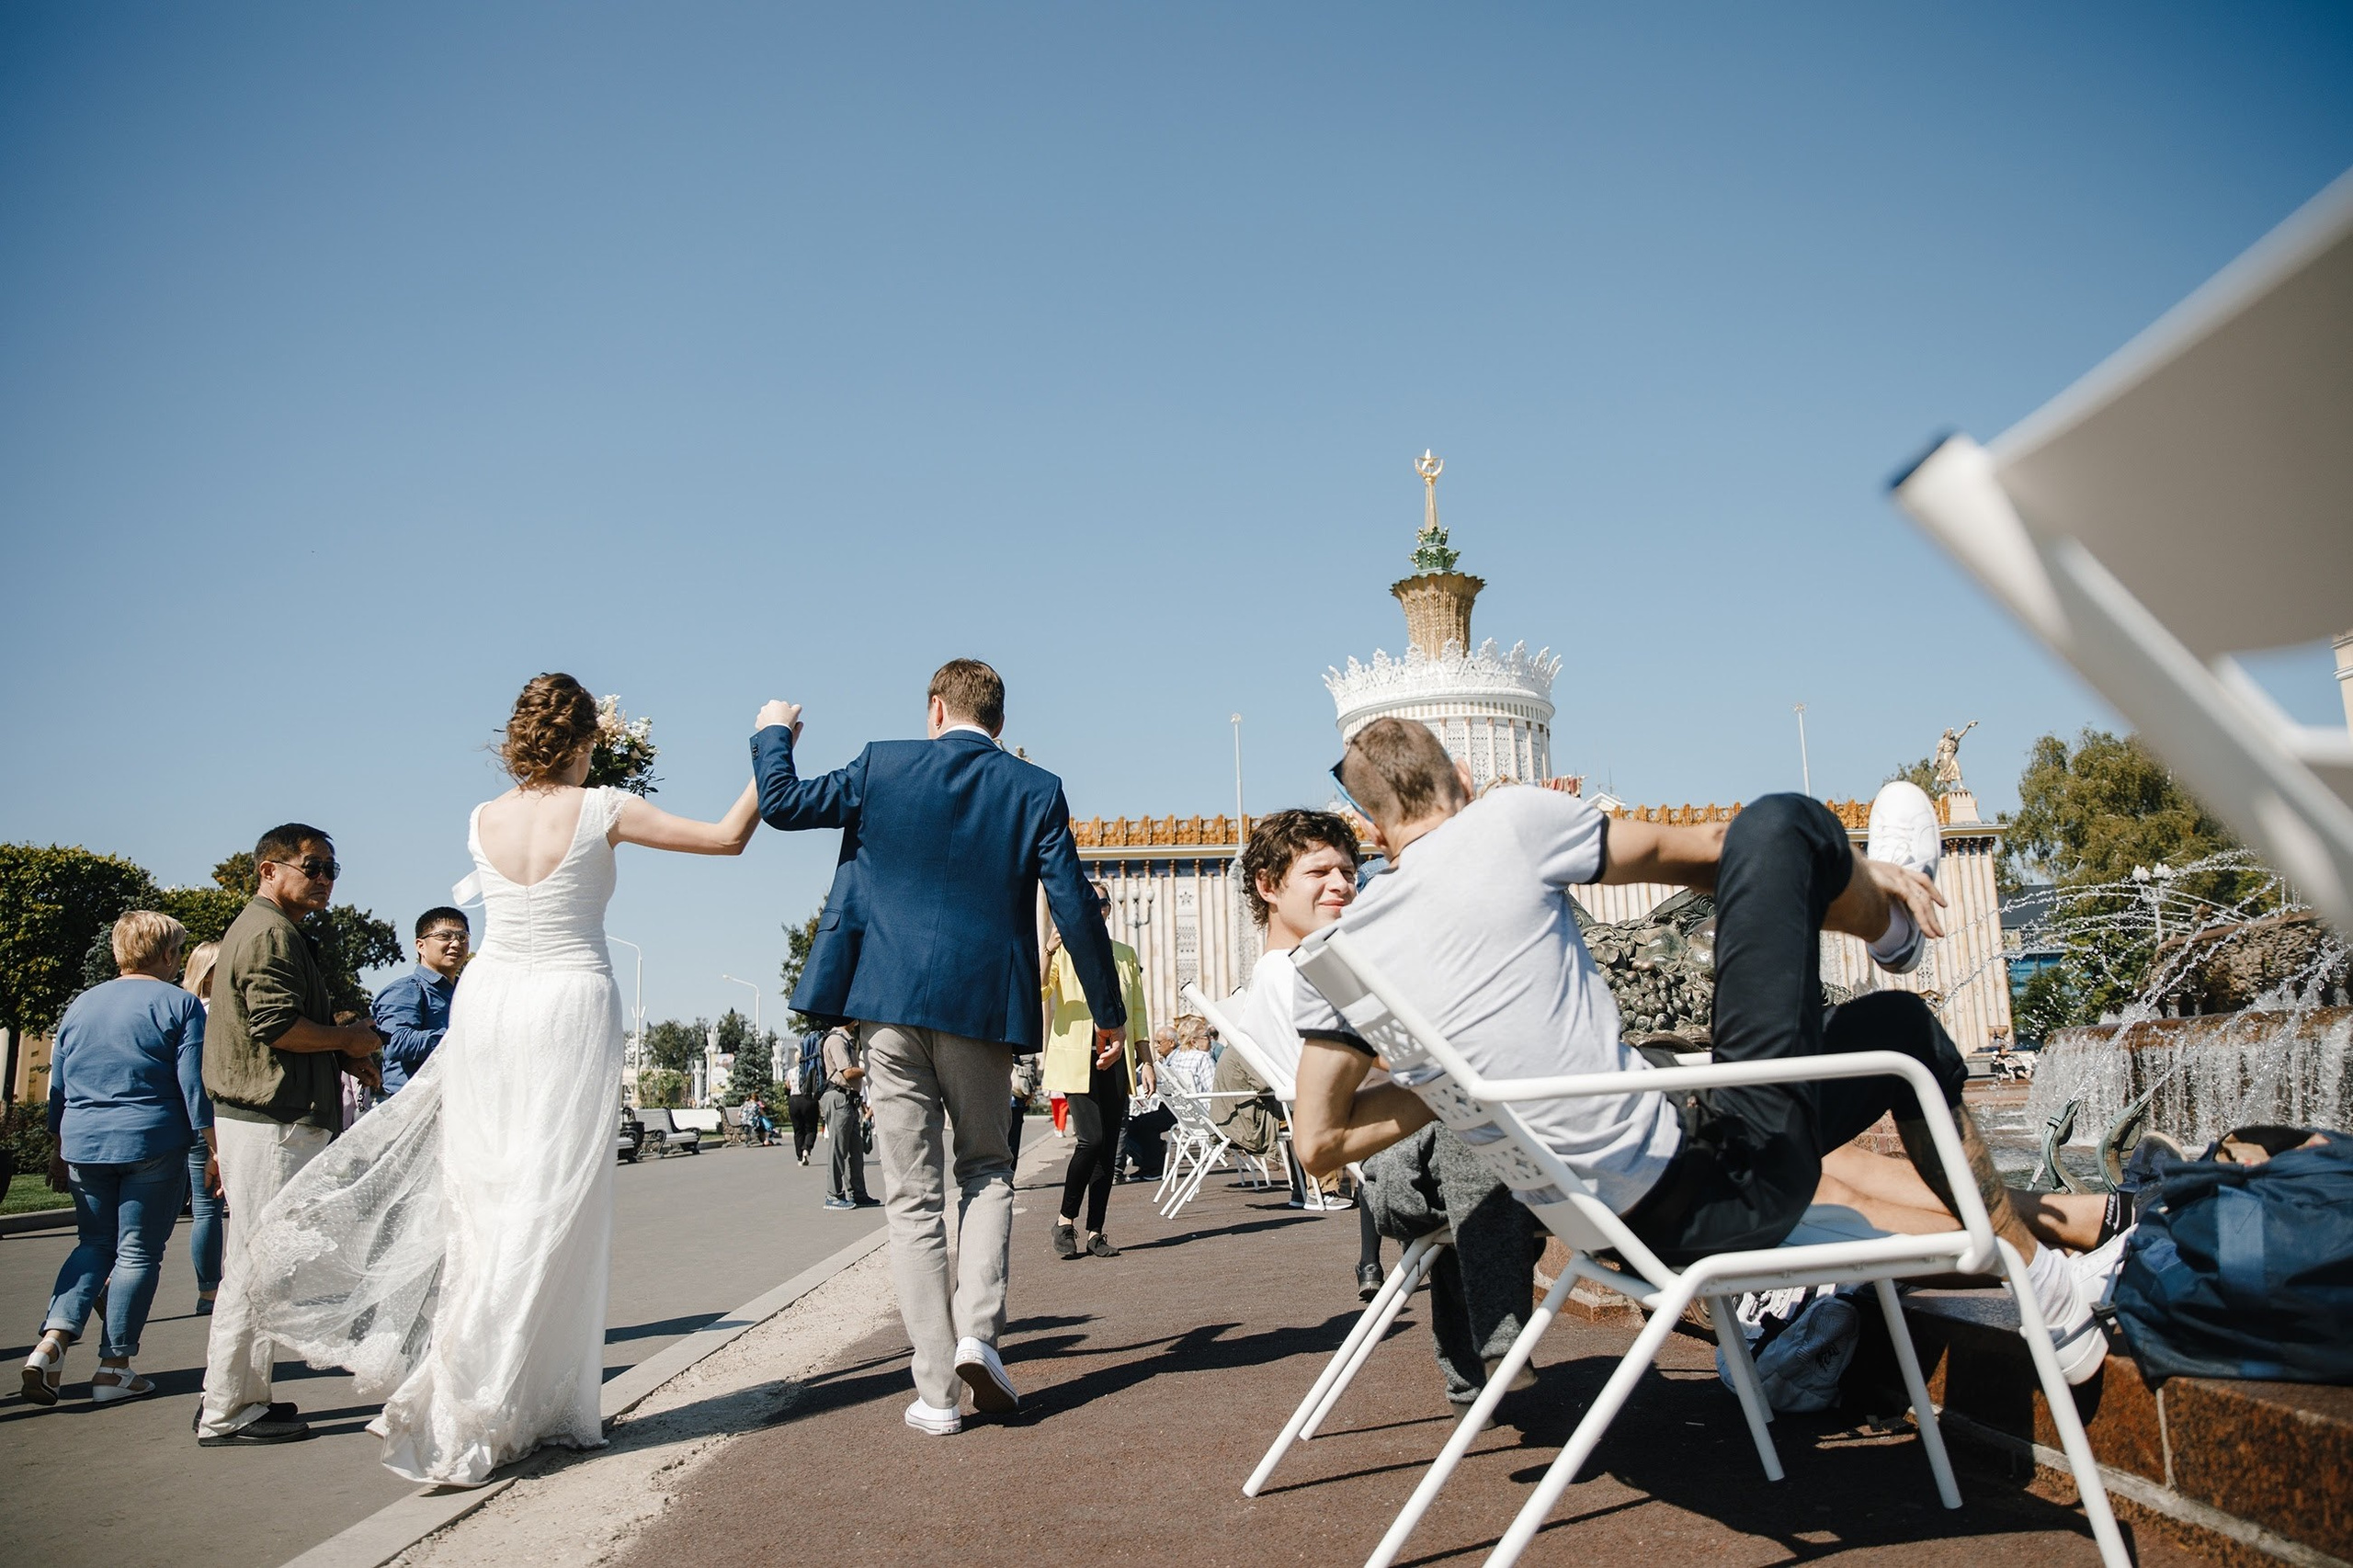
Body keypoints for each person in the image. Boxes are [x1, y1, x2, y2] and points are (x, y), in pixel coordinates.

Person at [1289, 718, 2109, 1384]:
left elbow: (1317, 1144)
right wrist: (1844, 868)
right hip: (1719, 1199)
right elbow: (1718, 848)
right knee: (1784, 827)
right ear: (1463, 779)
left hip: (1608, 1229)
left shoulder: (1343, 952)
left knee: (1885, 1022)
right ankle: (1890, 916)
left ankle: (1889, 923)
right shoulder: (1508, 820)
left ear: (1372, 828)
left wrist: (1454, 1082)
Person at [224, 672, 762, 1483]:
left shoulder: (482, 819)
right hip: (569, 1000)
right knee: (553, 1205)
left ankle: (488, 1391)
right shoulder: (603, 807)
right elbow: (727, 837)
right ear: (586, 740)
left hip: (493, 1003)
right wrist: (773, 743)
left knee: (486, 1200)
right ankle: (483, 1392)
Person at [752, 658, 1126, 1437]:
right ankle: (977, 1337)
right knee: (988, 1171)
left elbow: (783, 805)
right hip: (984, 1009)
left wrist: (771, 734)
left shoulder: (881, 765)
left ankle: (934, 1394)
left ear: (934, 709)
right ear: (997, 721)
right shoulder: (1036, 789)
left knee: (912, 1197)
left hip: (885, 1006)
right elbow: (1073, 908)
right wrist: (1109, 1011)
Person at [195, 823, 386, 1446]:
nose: (326, 879)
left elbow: (283, 1022)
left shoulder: (276, 930)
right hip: (271, 1120)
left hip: (272, 1116)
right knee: (256, 1267)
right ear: (269, 869)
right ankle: (227, 1411)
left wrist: (339, 1048)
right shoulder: (269, 932)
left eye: (333, 869)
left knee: (258, 1265)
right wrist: (348, 1041)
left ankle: (241, 1397)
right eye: (313, 866)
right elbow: (275, 1026)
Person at [21, 912, 212, 1407]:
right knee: (137, 1253)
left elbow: (58, 1086)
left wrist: (57, 1146)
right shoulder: (180, 1003)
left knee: (94, 1243)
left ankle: (53, 1339)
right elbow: (193, 1085)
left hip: (83, 1140)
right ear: (170, 955)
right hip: (152, 1138)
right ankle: (114, 1366)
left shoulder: (82, 1005)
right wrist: (213, 1146)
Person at [1041, 884, 1153, 1259]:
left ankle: (1096, 1232)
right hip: (1079, 1057)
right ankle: (1063, 1220)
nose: (1094, 908)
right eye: (1086, 902)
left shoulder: (1124, 955)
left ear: (1107, 910)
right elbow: (1039, 990)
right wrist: (1048, 950)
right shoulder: (1063, 950)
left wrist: (1146, 1058)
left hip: (1116, 1058)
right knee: (1090, 1140)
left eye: (1100, 903)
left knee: (1108, 1149)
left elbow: (1136, 1009)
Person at [371, 907, 469, 1096]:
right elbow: (397, 1042)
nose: (456, 943)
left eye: (462, 937)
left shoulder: (467, 993)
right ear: (420, 945)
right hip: (411, 1110)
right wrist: (463, 1038)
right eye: (445, 936)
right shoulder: (406, 990)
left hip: (458, 1107)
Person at [179, 940, 226, 1314]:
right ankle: (210, 1291)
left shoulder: (180, 1008)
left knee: (192, 1208)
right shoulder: (216, 1014)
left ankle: (209, 1289)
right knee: (212, 1206)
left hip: (178, 1116)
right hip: (212, 1118)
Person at [819, 1025, 875, 1210]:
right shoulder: (836, 1040)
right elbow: (847, 1072)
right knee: (838, 1149)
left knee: (855, 1151)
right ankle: (833, 1194)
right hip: (839, 1097)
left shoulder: (847, 1040)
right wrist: (871, 1067)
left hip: (849, 1099)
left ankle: (858, 1193)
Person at [1117, 1025, 1180, 1181]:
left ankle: (1153, 1166)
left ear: (1171, 1043)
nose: (1157, 1046)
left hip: (1178, 1110)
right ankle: (1150, 1161)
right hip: (1170, 1108)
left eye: (1159, 1042)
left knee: (1142, 1125)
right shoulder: (1166, 1061)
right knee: (1137, 1122)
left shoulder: (1177, 1060)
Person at [787, 1028, 824, 1165]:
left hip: (794, 1100)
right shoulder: (809, 1070)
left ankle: (798, 1156)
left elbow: (788, 1086)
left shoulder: (791, 1071)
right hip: (808, 1099)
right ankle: (806, 1149)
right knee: (810, 1127)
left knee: (798, 1129)